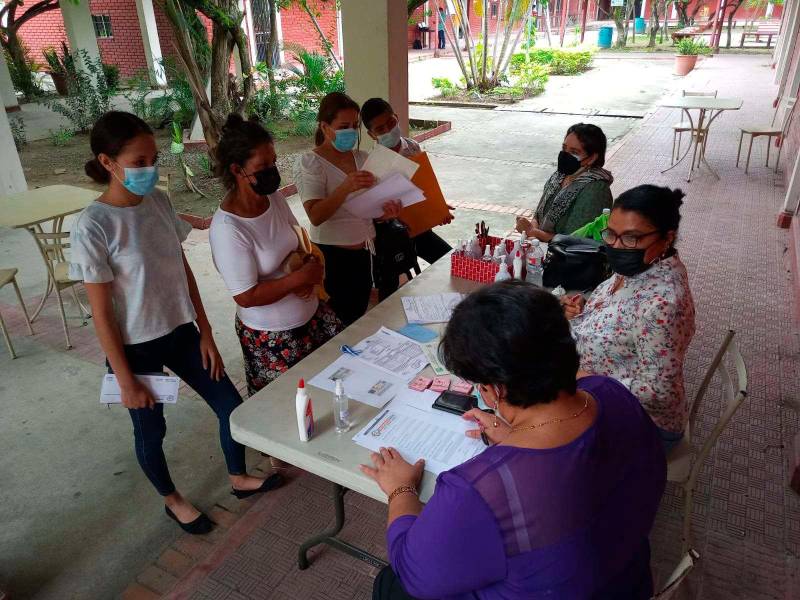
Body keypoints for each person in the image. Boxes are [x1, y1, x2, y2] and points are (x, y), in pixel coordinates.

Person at [362, 282, 666, 599]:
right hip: (626, 580)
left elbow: (415, 575)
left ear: (495, 389)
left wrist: (400, 490)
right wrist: (518, 436)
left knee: (391, 584)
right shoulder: (610, 392)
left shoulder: (478, 489)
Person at [70, 112, 281, 536]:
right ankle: (172, 500)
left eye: (153, 158)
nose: (150, 169)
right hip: (135, 348)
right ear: (108, 162)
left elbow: (183, 269)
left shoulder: (159, 202)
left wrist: (205, 330)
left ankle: (238, 478)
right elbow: (103, 314)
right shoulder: (93, 226)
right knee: (152, 429)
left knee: (230, 406)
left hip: (181, 331)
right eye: (139, 161)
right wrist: (126, 379)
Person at [209, 114, 342, 397]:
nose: (272, 170)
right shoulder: (228, 228)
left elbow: (296, 241)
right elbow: (246, 296)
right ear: (236, 169)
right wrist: (298, 280)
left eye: (273, 162)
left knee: (334, 389)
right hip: (273, 338)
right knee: (286, 410)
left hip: (313, 318)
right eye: (262, 166)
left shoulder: (274, 198)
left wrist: (305, 262)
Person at [564, 185, 696, 453]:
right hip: (597, 391)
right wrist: (587, 308)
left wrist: (584, 378)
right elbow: (624, 313)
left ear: (667, 238)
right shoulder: (642, 266)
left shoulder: (663, 303)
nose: (615, 246)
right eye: (610, 234)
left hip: (643, 423)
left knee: (545, 441)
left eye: (631, 238)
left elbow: (658, 391)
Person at [295, 92, 401, 326]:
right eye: (344, 126)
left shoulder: (363, 158)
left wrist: (386, 214)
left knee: (357, 314)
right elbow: (316, 216)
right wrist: (346, 187)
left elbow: (369, 207)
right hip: (333, 257)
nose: (351, 132)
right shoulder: (311, 163)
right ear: (325, 126)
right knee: (337, 321)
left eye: (355, 126)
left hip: (364, 252)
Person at [360, 97, 453, 300]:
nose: (388, 130)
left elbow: (423, 189)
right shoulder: (370, 165)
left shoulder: (412, 148)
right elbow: (369, 214)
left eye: (391, 123)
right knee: (389, 291)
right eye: (380, 129)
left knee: (449, 259)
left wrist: (438, 209)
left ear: (397, 117)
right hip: (389, 236)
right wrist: (384, 216)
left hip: (419, 230)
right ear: (371, 134)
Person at [516, 123, 613, 241]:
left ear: (592, 158)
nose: (565, 155)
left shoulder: (596, 189)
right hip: (542, 249)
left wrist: (534, 232)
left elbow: (575, 239)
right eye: (564, 148)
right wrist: (531, 229)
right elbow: (539, 214)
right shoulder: (559, 176)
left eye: (574, 152)